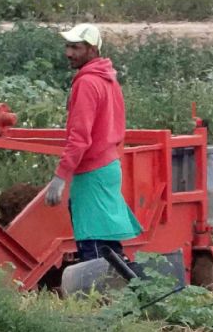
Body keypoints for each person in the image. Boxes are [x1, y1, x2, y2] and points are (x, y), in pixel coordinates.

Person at [42, 24, 143, 268]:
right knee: (106, 242)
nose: (68, 53)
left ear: (92, 49)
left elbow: (79, 138)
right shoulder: (107, 78)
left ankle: (105, 300)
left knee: (95, 247)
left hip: (92, 172)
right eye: (67, 46)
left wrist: (60, 177)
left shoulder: (87, 83)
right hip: (107, 166)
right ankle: (127, 293)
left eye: (75, 47)